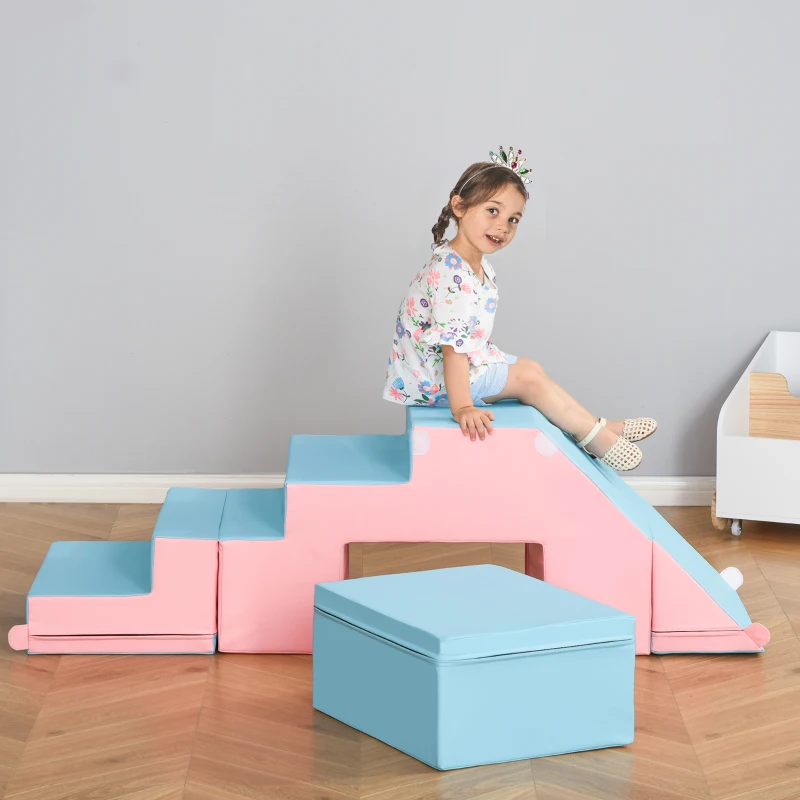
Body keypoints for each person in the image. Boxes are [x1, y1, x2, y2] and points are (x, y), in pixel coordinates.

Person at [382, 146, 656, 471]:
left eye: (513, 219)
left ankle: (596, 423)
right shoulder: (451, 276)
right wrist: (463, 407)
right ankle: (594, 436)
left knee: (531, 369)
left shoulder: (470, 265)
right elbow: (452, 350)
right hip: (434, 379)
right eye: (493, 211)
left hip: (452, 365)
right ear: (459, 205)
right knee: (528, 379)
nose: (504, 227)